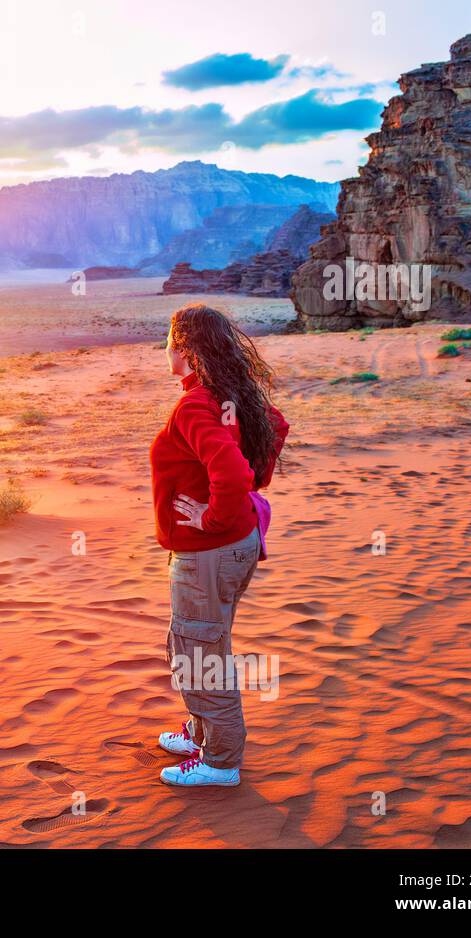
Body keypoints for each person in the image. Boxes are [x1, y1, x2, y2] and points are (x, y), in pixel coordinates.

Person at [149, 304, 289, 787]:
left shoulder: (195, 405)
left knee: (200, 656)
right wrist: (251, 486)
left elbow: (230, 472)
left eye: (169, 341)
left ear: (184, 349)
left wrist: (211, 517)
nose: (164, 349)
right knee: (206, 640)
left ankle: (220, 762)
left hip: (209, 552)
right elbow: (276, 425)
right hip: (236, 544)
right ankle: (200, 731)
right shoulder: (227, 396)